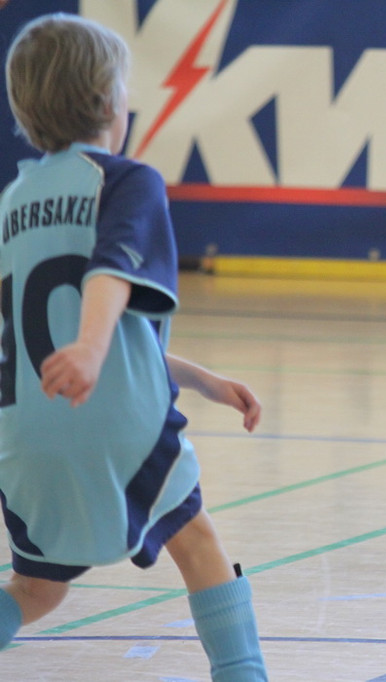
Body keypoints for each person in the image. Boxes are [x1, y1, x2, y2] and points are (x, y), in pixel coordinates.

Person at [0, 14, 267, 679]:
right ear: (106, 102)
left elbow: (62, 334)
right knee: (198, 544)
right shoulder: (125, 180)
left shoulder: (11, 201)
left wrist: (201, 380)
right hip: (115, 423)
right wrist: (92, 350)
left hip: (23, 435)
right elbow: (109, 276)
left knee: (36, 589)